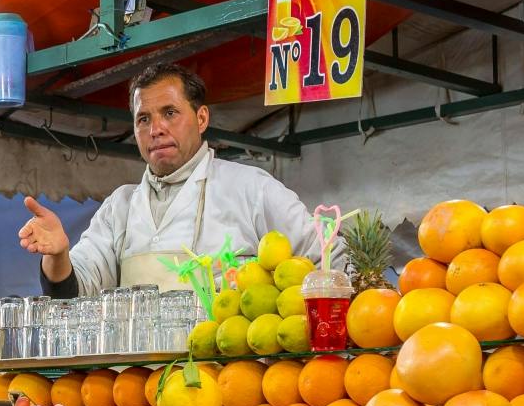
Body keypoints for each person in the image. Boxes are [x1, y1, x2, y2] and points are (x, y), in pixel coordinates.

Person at [19, 64, 319, 295]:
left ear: (202, 119)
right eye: (144, 118)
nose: (156, 129)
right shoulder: (120, 207)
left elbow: (325, 261)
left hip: (229, 374)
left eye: (170, 112)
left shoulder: (251, 188)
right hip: (137, 377)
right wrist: (58, 255)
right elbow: (78, 288)